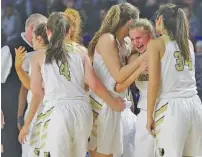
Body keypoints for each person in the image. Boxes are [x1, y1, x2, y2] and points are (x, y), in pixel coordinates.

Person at [18, 12, 125, 157]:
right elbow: (94, 84)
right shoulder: (81, 51)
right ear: (69, 31)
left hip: (57, 112)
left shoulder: (39, 56)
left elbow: (37, 93)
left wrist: (26, 124)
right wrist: (113, 103)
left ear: (48, 31)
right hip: (82, 111)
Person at [87, 3, 147, 157]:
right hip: (101, 105)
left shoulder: (126, 43)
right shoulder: (107, 39)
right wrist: (141, 62)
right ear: (129, 23)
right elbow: (119, 76)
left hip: (117, 106)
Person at [146, 4, 202, 157]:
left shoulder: (156, 44)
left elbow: (154, 84)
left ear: (159, 20)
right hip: (195, 106)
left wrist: (149, 115)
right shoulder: (188, 43)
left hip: (172, 107)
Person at [115, 18, 155, 157]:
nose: (136, 42)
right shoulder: (133, 59)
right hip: (144, 111)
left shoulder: (162, 52)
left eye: (139, 38)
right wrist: (139, 69)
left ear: (150, 35)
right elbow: (119, 86)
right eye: (132, 39)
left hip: (165, 108)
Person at [15, 13, 47, 157]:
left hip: (39, 116)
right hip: (57, 115)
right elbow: (27, 87)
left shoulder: (35, 57)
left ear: (38, 36)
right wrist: (20, 116)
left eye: (33, 38)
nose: (31, 42)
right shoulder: (66, 55)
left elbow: (35, 91)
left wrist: (26, 123)